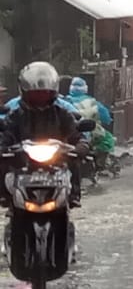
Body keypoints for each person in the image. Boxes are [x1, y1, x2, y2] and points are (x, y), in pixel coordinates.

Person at [0, 62, 87, 206]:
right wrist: (2, 147)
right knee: (4, 162)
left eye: (44, 93)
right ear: (24, 91)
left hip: (56, 162)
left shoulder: (63, 113)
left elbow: (76, 135)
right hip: (23, 163)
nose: (40, 97)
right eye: (36, 94)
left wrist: (81, 146)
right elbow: (6, 135)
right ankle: (4, 196)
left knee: (74, 160)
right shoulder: (15, 114)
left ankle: (74, 195)